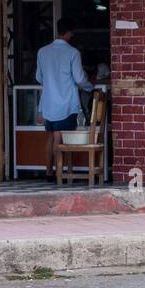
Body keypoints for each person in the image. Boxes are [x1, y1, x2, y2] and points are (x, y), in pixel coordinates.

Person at [35, 18, 95, 182]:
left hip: (48, 102)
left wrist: (51, 80)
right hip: (66, 103)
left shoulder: (42, 51)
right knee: (59, 136)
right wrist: (90, 87)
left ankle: (49, 171)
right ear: (69, 33)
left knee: (51, 136)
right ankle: (61, 173)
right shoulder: (73, 53)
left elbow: (39, 77)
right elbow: (79, 78)